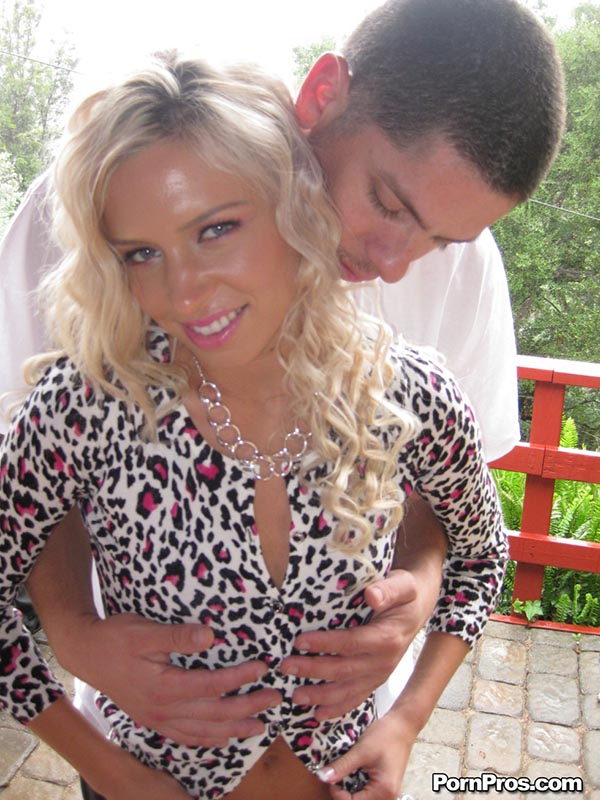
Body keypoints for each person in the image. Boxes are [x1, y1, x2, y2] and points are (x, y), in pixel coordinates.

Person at [1, 0, 565, 792]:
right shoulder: (104, 189)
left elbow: (459, 512)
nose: (397, 263)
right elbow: (39, 470)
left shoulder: (427, 337)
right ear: (323, 97)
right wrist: (72, 634)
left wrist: (420, 597)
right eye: (388, 202)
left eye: (442, 239)